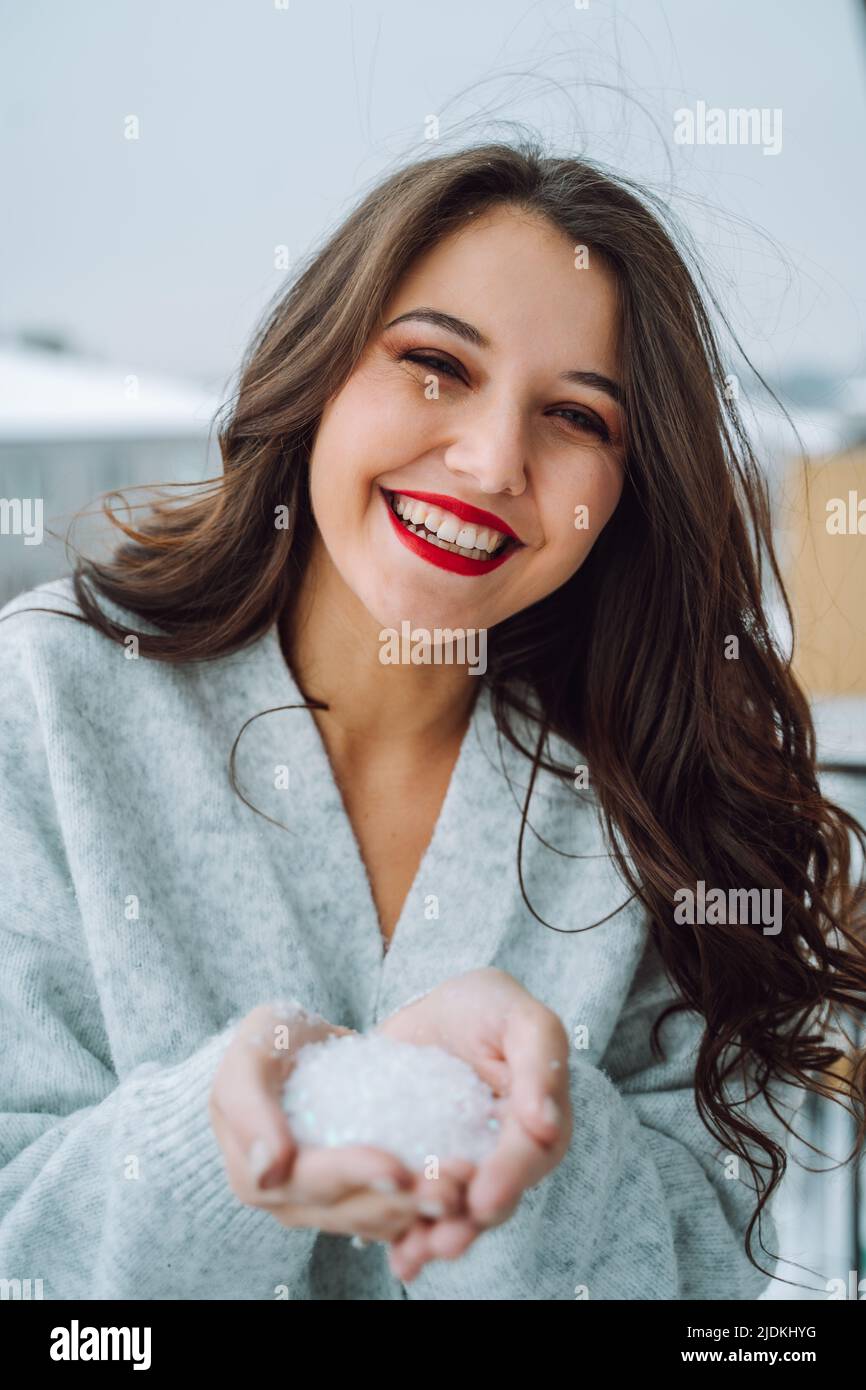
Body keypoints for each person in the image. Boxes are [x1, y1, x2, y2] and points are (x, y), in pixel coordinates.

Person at [1, 141, 864, 1301]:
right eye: (434, 365)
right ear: (317, 373)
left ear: (621, 491)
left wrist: (514, 1129)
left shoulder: (656, 797)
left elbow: (695, 1282)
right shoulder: (50, 697)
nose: (492, 457)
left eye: (575, 416)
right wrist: (225, 1136)